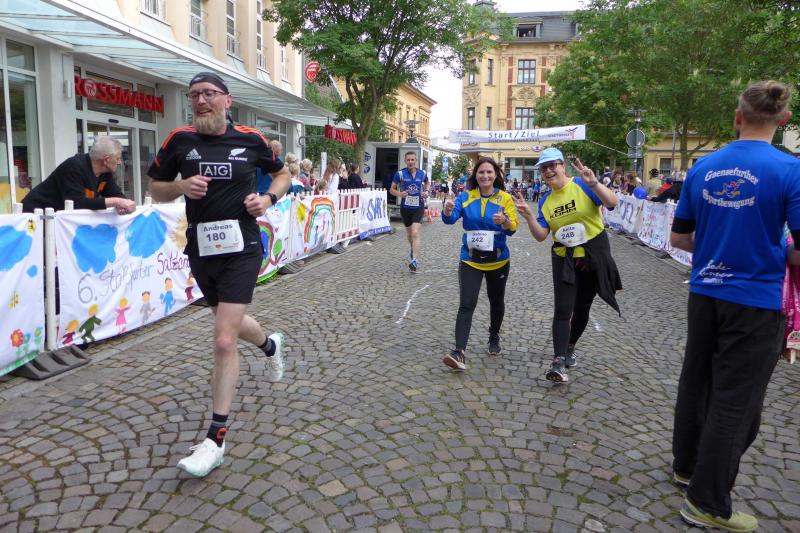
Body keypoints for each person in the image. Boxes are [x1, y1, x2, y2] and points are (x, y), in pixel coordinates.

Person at [669, 80, 800, 533]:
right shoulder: (790, 170)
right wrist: (773, 250)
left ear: (737, 117)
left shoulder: (704, 167)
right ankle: (707, 503)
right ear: (783, 120)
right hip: (756, 299)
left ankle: (686, 467)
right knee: (736, 402)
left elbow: (679, 237)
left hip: (705, 291)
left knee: (696, 380)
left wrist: (718, 246)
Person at [147, 71, 291, 478]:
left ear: (227, 100)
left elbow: (282, 174)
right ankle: (271, 346)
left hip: (242, 247)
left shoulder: (251, 138)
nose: (201, 100)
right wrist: (180, 187)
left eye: (209, 93)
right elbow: (155, 187)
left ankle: (216, 439)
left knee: (224, 339)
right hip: (202, 248)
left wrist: (268, 198)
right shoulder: (179, 140)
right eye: (194, 95)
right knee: (229, 322)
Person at [513, 147, 621, 383]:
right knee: (563, 310)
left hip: (592, 256)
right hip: (564, 258)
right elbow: (541, 235)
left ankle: (570, 346)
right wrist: (529, 217)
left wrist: (594, 183)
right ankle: (559, 361)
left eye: (553, 165)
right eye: (544, 168)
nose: (549, 171)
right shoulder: (546, 200)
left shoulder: (581, 185)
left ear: (563, 166)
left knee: (582, 308)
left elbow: (612, 202)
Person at [441, 157, 518, 371]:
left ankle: (494, 336)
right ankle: (459, 351)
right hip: (470, 260)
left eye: (489, 172)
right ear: (475, 175)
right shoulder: (466, 197)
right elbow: (450, 219)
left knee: (496, 301)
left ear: (495, 175)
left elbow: (513, 228)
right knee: (467, 303)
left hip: (498, 261)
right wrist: (447, 210)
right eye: (481, 172)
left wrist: (505, 221)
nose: (485, 176)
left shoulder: (505, 198)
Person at [22, 136, 136, 215]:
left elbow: (116, 194)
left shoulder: (105, 172)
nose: (120, 162)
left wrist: (122, 205)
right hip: (34, 214)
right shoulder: (73, 167)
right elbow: (77, 203)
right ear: (106, 160)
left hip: (55, 219)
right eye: (117, 158)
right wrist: (116, 202)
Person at [390, 151, 429, 272]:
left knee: (415, 232)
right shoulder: (400, 174)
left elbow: (427, 183)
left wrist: (426, 191)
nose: (410, 162)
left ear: (416, 161)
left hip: (418, 207)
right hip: (405, 208)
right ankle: (412, 248)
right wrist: (399, 194)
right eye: (408, 160)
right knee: (409, 234)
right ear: (405, 161)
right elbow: (391, 189)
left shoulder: (422, 173)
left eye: (412, 160)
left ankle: (414, 260)